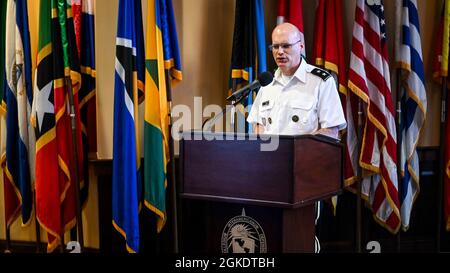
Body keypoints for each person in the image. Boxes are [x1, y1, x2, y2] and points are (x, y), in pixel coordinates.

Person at [247, 23, 346, 138]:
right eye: (275, 46)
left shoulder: (321, 82)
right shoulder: (267, 83)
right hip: (269, 154)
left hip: (304, 155)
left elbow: (331, 131)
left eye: (286, 46)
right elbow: (258, 125)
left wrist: (298, 148)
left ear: (300, 47)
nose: (280, 52)